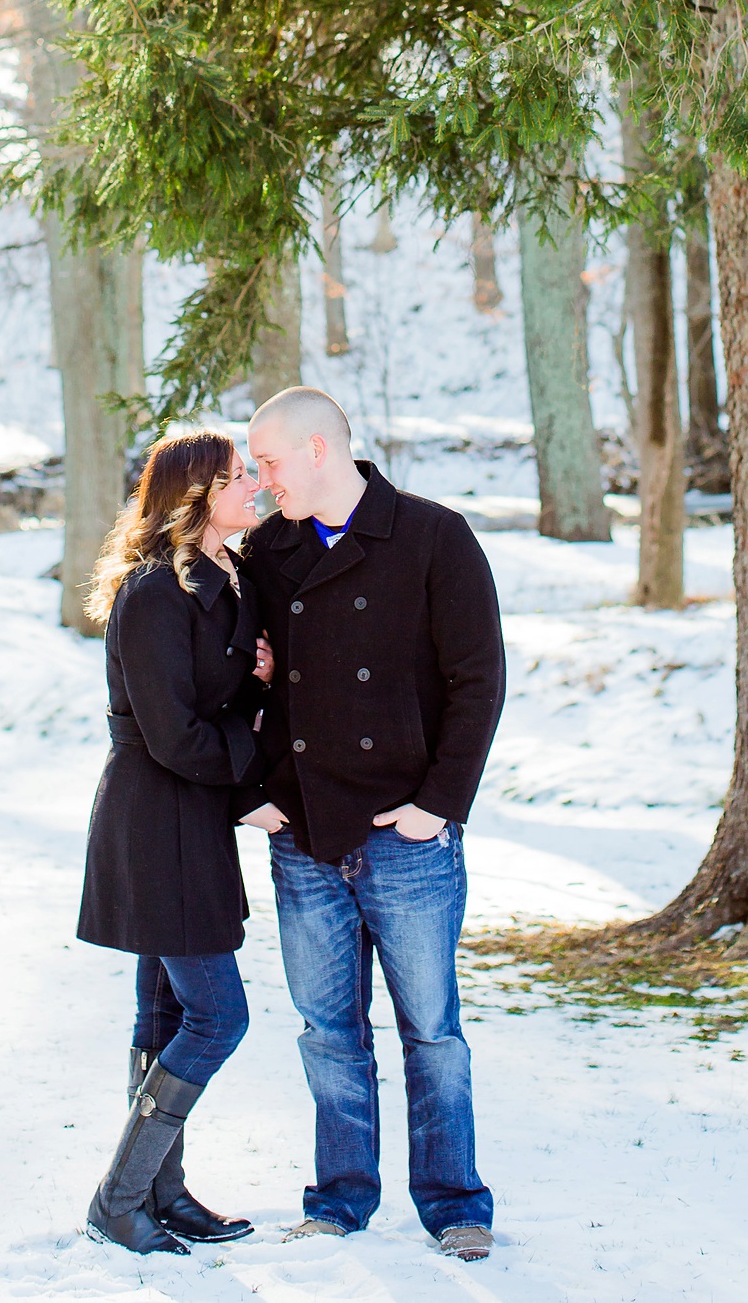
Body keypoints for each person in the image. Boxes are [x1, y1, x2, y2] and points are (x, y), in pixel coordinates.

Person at [239, 385, 506, 1264]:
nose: (259, 477)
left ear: (320, 450)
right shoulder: (267, 553)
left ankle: (454, 1203)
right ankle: (341, 1199)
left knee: (432, 1030)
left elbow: (478, 681)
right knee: (328, 1032)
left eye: (269, 460)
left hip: (407, 836)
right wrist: (252, 785)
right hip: (307, 835)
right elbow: (232, 678)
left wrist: (439, 806)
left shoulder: (433, 536)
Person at [77, 431, 274, 1255]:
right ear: (195, 497)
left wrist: (261, 676)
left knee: (164, 1011)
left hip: (189, 816)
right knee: (218, 1015)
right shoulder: (154, 592)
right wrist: (253, 774)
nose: (254, 488)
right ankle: (118, 1199)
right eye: (238, 479)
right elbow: (172, 734)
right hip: (157, 819)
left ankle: (162, 1192)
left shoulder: (228, 576)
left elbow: (215, 697)